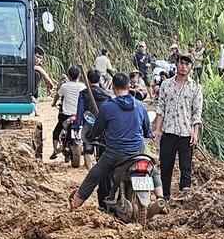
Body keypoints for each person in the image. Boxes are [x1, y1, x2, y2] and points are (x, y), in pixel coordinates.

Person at [70, 72, 151, 210]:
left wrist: (92, 135)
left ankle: (74, 207)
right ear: (129, 85)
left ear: (113, 86)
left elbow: (96, 131)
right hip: (138, 151)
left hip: (115, 153)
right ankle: (161, 199)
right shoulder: (140, 106)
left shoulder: (108, 107)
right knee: (152, 171)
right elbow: (147, 131)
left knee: (93, 176)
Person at [154, 52, 204, 197]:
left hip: (186, 134)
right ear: (176, 64)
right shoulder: (166, 84)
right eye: (181, 63)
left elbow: (196, 112)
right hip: (169, 132)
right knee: (165, 166)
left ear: (191, 67)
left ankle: (184, 198)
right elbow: (160, 108)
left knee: (185, 168)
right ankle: (164, 198)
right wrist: (157, 129)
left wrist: (195, 133)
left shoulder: (195, 87)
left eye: (187, 64)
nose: (183, 66)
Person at [50, 66, 86, 160]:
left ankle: (55, 149)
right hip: (79, 115)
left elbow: (58, 95)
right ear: (79, 75)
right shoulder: (83, 87)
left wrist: (54, 103)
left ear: (69, 75)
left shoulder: (64, 86)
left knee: (56, 131)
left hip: (66, 115)